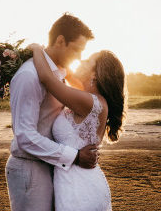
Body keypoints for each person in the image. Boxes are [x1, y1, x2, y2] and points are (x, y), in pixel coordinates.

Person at [5, 13, 98, 211]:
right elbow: (25, 136)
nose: (79, 57)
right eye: (77, 49)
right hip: (29, 167)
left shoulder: (57, 74)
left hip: (50, 164)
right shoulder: (29, 76)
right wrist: (74, 156)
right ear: (60, 40)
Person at [29, 44, 127, 211]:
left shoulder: (90, 102)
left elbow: (47, 79)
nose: (81, 60)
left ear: (95, 74)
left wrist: (37, 49)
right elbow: (68, 72)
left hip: (79, 189)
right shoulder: (89, 97)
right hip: (75, 183)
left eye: (88, 60)